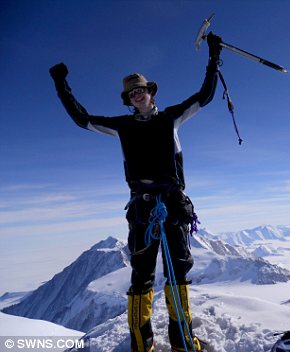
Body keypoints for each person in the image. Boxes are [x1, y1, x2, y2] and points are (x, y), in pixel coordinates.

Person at [49, 32, 222, 352]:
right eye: (132, 93)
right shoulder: (123, 127)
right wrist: (62, 85)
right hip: (144, 208)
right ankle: (145, 345)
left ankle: (181, 341)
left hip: (169, 203)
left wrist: (213, 58)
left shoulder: (171, 118)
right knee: (142, 277)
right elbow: (81, 119)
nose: (137, 95)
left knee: (178, 272)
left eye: (141, 89)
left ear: (150, 92)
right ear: (127, 100)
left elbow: (205, 96)